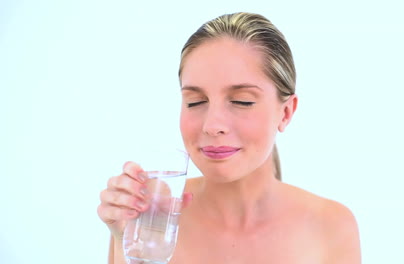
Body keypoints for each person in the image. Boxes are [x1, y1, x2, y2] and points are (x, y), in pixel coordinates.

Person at [97, 12, 361, 264]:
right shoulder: (152, 219)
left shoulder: (330, 227)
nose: (212, 125)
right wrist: (133, 249)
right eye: (196, 101)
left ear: (286, 113)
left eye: (241, 101)